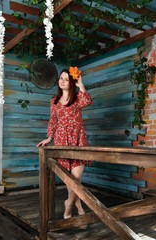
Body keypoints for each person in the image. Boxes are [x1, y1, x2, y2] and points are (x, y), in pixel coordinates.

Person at [37, 68, 93, 220]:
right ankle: (79, 205)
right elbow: (53, 121)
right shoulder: (54, 101)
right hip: (61, 141)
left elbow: (87, 101)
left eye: (66, 79)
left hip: (78, 140)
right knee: (70, 179)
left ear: (71, 82)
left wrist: (81, 84)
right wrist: (49, 138)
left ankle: (68, 204)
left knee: (76, 178)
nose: (62, 81)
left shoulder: (77, 99)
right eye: (60, 78)